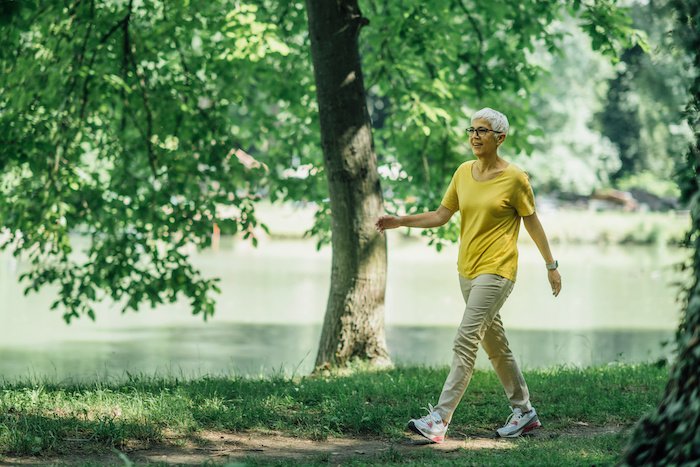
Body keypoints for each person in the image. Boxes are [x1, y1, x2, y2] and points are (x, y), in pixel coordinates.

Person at [375, 107, 562, 443]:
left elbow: (532, 221)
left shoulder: (516, 178)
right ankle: (525, 413)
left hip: (498, 270)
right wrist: (400, 221)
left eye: (483, 131)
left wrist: (551, 265)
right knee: (495, 344)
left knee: (466, 339)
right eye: (472, 130)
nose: (475, 136)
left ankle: (439, 420)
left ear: (500, 138)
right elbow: (440, 215)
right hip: (468, 271)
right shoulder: (463, 173)